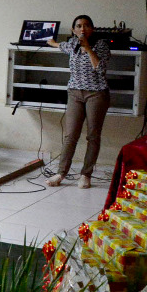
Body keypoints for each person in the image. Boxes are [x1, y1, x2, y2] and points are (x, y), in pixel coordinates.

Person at [45, 16, 110, 188]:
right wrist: (51, 42)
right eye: (79, 26)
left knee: (93, 136)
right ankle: (61, 173)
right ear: (74, 30)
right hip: (74, 93)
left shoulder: (101, 45)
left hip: (96, 94)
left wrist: (88, 49)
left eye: (87, 26)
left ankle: (86, 175)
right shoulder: (72, 44)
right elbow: (58, 45)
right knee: (71, 135)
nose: (83, 29)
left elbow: (100, 68)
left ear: (92, 29)